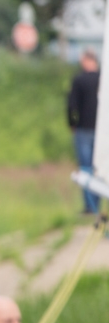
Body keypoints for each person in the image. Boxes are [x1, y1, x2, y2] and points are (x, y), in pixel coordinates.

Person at [68, 49, 100, 215]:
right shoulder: (103, 78)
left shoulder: (78, 80)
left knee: (86, 168)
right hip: (102, 131)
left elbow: (72, 106)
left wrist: (72, 123)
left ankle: (90, 207)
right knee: (100, 168)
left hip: (83, 129)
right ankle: (100, 201)